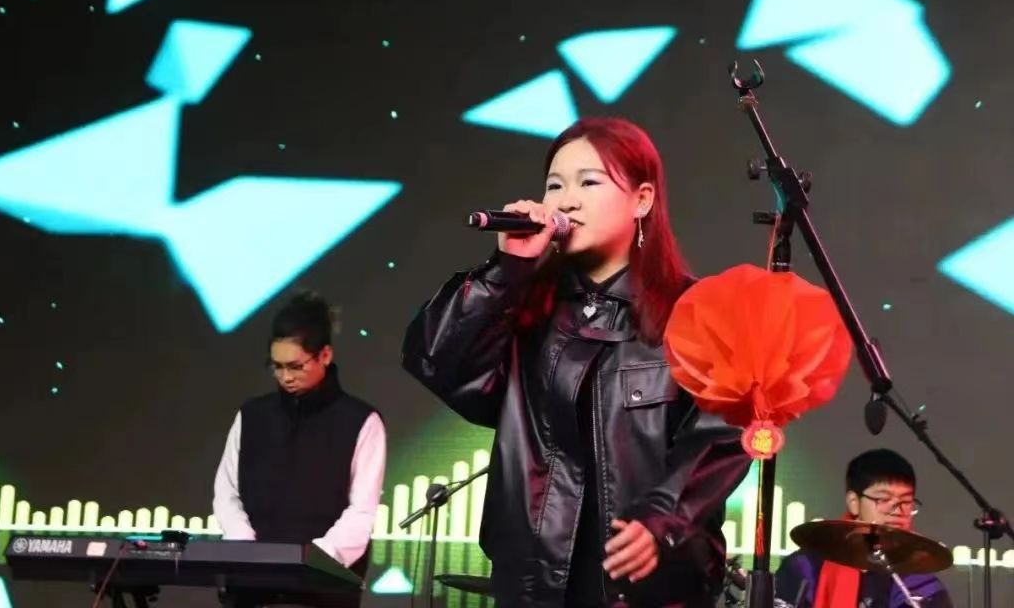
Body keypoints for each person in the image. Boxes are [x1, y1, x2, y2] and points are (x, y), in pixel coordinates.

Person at [402, 117, 752, 607]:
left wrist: (661, 517)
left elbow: (723, 433)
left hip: (651, 588)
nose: (566, 201)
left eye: (589, 183)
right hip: (535, 586)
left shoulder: (696, 312)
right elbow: (433, 359)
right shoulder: (524, 309)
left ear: (642, 199)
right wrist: (505, 272)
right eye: (554, 186)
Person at [213, 291, 386, 579]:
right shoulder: (252, 415)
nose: (286, 377)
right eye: (277, 367)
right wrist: (245, 549)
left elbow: (361, 511)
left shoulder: (361, 421)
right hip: (250, 578)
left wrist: (314, 560)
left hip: (324, 582)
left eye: (296, 366)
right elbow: (226, 492)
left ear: (325, 355)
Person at [775, 448, 953, 607]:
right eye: (883, 499)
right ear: (854, 502)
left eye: (906, 501)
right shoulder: (805, 567)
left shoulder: (922, 585)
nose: (897, 510)